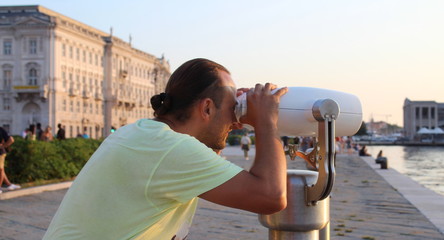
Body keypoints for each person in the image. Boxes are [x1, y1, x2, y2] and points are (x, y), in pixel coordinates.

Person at [43, 58, 288, 239]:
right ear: (206, 109)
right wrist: (267, 121)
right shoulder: (171, 149)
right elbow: (271, 196)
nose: (233, 117)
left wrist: (226, 123)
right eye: (230, 109)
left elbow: (202, 158)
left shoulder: (144, 134)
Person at [0, 127, 20, 193]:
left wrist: (3, 146)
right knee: (1, 169)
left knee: (0, 170)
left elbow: (11, 139)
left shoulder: (1, 129)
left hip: (0, 153)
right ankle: (9, 185)